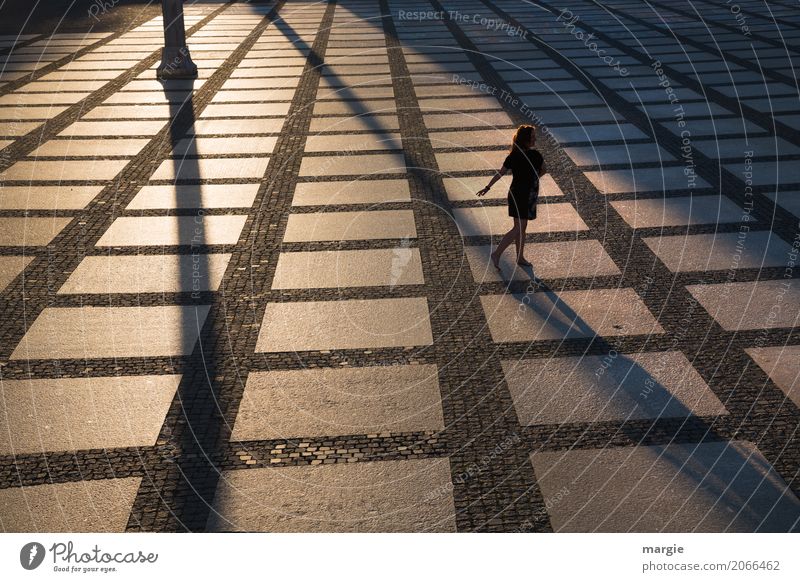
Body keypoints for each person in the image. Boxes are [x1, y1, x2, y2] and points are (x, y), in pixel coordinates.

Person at [477, 124, 546, 269]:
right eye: (533, 137)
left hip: (515, 193)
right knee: (519, 227)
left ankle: (520, 257)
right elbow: (544, 170)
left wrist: (487, 187)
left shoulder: (513, 155)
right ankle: (497, 253)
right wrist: (534, 179)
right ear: (526, 139)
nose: (535, 139)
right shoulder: (535, 155)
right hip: (526, 195)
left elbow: (500, 173)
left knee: (521, 226)